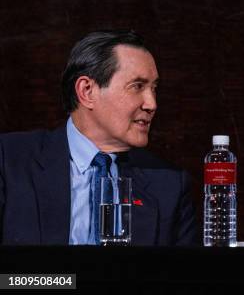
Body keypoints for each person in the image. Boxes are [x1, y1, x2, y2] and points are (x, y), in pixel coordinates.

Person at [0, 30, 198, 245]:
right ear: (87, 91)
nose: (152, 104)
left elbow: (182, 276)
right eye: (137, 86)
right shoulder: (9, 160)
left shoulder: (169, 185)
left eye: (154, 89)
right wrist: (59, 281)